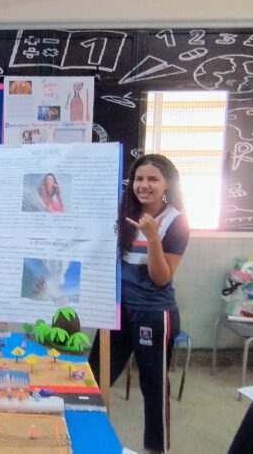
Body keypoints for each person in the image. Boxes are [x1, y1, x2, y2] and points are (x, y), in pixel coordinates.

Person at [87, 154, 189, 454]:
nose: (144, 185)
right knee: (95, 377)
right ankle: (88, 438)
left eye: (153, 179)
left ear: (167, 183)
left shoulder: (176, 221)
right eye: (139, 179)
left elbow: (161, 277)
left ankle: (154, 449)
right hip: (118, 310)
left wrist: (153, 238)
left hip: (153, 314)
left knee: (153, 386)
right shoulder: (122, 214)